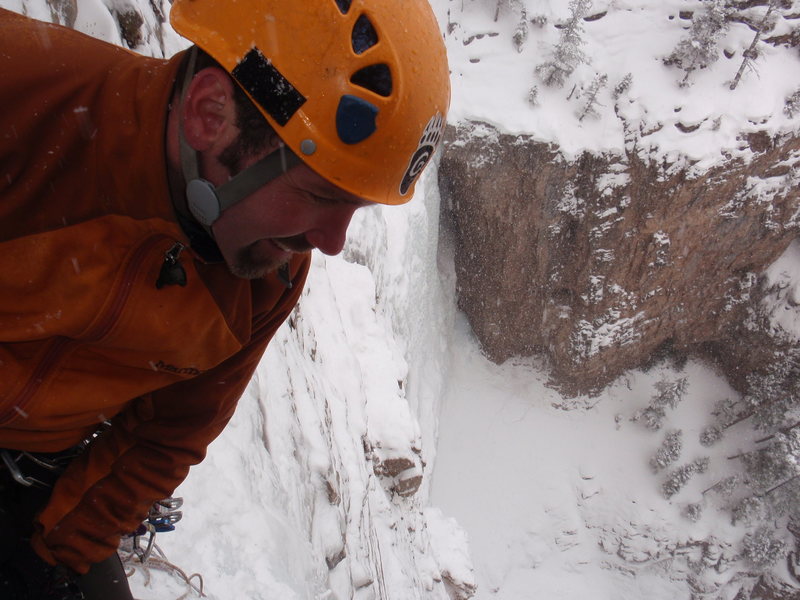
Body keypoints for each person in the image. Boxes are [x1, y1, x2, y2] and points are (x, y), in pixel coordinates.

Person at [0, 0, 450, 596]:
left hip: (37, 482)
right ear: (209, 113)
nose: (332, 243)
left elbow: (168, 435)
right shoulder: (22, 98)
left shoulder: (270, 274)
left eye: (354, 210)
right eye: (320, 195)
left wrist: (61, 554)